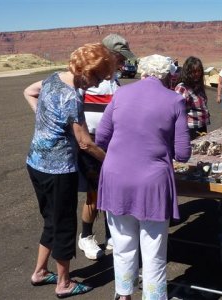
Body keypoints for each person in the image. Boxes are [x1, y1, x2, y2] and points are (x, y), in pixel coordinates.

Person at [96, 54, 191, 300]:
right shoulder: (175, 100)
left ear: (143, 72)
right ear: (168, 76)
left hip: (115, 178)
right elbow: (182, 153)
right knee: (153, 252)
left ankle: (123, 294)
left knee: (122, 246)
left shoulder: (121, 94)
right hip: (152, 184)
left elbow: (101, 138)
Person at [24, 43, 115, 298]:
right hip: (58, 171)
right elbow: (85, 142)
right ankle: (63, 283)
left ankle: (40, 272)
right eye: (96, 76)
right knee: (64, 225)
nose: (96, 83)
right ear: (84, 69)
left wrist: (44, 121)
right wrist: (110, 160)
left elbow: (28, 92)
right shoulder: (72, 96)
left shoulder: (52, 79)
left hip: (35, 163)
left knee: (50, 220)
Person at [77, 34, 136, 261]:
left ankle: (111, 234)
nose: (123, 63)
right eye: (120, 57)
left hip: (113, 142)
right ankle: (86, 236)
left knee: (111, 190)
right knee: (95, 193)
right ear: (108, 54)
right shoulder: (87, 77)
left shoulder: (114, 80)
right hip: (90, 144)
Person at [175, 56, 210, 140]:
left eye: (199, 71)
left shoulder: (198, 87)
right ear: (188, 72)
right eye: (194, 71)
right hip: (190, 130)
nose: (197, 74)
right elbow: (176, 112)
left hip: (201, 127)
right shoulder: (182, 88)